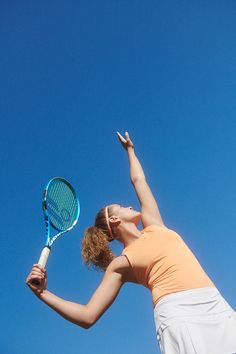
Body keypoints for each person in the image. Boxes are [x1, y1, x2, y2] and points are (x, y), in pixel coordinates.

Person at [26, 131, 236, 354]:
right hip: (179, 315)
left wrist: (130, 151)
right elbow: (88, 316)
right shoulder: (121, 264)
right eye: (122, 206)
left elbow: (139, 180)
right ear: (115, 219)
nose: (129, 206)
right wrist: (43, 294)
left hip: (215, 303)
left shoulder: (154, 224)